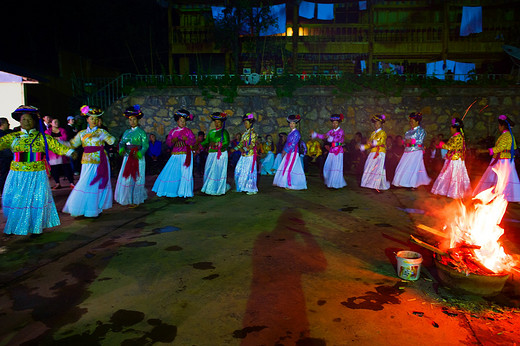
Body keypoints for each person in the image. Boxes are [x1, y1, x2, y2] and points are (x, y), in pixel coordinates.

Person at [0, 106, 75, 236]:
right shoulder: (12, 137)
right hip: (18, 173)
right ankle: (15, 225)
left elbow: (57, 146)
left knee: (36, 199)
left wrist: (70, 152)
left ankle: (35, 227)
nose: (26, 122)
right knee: (18, 199)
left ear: (34, 121)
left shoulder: (43, 137)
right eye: (24, 119)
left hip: (37, 173)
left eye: (29, 119)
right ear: (19, 121)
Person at [63, 105, 116, 218]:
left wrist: (104, 136)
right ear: (87, 119)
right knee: (86, 182)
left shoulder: (102, 131)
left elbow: (112, 141)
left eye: (96, 118)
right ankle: (82, 208)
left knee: (98, 184)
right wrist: (61, 143)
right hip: (87, 161)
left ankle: (96, 208)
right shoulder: (82, 133)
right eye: (92, 118)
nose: (94, 120)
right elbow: (72, 144)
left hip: (100, 160)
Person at [473, 115, 520, 202]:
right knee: (502, 178)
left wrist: (485, 151)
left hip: (503, 161)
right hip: (502, 160)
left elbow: (499, 148)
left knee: (504, 178)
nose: (498, 127)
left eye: (499, 125)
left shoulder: (507, 136)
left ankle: (505, 196)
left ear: (503, 126)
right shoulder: (506, 135)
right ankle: (499, 195)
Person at [152, 109, 196, 198]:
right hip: (176, 154)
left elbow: (193, 141)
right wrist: (173, 140)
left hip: (185, 154)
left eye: (184, 121)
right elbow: (168, 143)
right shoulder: (173, 131)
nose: (182, 123)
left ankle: (185, 192)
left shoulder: (188, 131)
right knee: (173, 171)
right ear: (177, 121)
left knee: (185, 173)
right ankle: (172, 190)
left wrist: (186, 139)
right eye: (180, 121)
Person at [114, 105, 149, 207]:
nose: (132, 121)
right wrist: (121, 149)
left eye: (134, 119)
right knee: (127, 177)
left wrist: (139, 153)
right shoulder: (126, 132)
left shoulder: (141, 132)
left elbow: (145, 145)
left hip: (137, 158)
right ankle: (128, 198)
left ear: (137, 120)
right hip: (127, 157)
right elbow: (121, 143)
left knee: (137, 177)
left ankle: (136, 199)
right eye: (130, 120)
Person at [431, 118, 471, 199]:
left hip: (455, 160)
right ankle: (446, 191)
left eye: (451, 127)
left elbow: (450, 147)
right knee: (448, 174)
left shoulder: (458, 137)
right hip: (452, 158)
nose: (450, 129)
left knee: (454, 175)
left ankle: (454, 193)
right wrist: (440, 145)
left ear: (454, 128)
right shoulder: (455, 137)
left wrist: (441, 144)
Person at [392, 112, 431, 189]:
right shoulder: (408, 131)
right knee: (403, 165)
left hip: (416, 151)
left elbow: (420, 141)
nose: (411, 123)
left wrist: (412, 141)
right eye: (410, 121)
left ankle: (413, 184)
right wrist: (403, 141)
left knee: (413, 167)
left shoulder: (421, 131)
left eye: (413, 121)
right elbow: (405, 140)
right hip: (407, 151)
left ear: (417, 122)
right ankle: (402, 182)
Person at [312, 113, 347, 189]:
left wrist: (330, 138)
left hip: (338, 151)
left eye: (336, 123)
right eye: (333, 123)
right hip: (332, 151)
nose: (334, 124)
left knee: (336, 167)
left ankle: (335, 184)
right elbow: (324, 136)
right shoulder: (331, 131)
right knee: (328, 166)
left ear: (339, 123)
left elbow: (337, 139)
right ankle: (330, 182)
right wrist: (316, 135)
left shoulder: (341, 131)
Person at [273, 114, 307, 190]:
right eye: (290, 123)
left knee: (290, 167)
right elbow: (287, 143)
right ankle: (286, 183)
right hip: (289, 152)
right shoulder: (290, 133)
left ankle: (289, 184)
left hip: (294, 152)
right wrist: (283, 151)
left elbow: (293, 143)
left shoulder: (296, 133)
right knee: (286, 166)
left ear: (296, 124)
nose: (291, 125)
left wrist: (285, 150)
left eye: (293, 123)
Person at [200, 112, 231, 195]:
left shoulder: (224, 132)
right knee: (208, 169)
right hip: (211, 154)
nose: (217, 124)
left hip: (220, 155)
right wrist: (197, 145)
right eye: (216, 122)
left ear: (222, 123)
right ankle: (209, 187)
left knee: (217, 171)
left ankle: (217, 188)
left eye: (219, 122)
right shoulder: (211, 132)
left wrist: (217, 144)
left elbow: (226, 143)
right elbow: (206, 142)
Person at [359, 114, 390, 191]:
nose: (376, 125)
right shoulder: (373, 133)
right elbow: (369, 144)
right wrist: (363, 147)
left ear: (381, 124)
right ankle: (369, 183)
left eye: (378, 123)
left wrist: (371, 142)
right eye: (375, 123)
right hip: (373, 152)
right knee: (369, 167)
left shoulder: (383, 133)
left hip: (380, 152)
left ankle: (376, 184)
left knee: (378, 168)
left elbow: (379, 141)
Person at [45, 118, 75, 189]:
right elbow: (49, 140)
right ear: (51, 123)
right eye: (55, 122)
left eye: (57, 122)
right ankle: (57, 183)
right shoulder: (47, 131)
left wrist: (55, 139)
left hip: (62, 152)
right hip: (52, 153)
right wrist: (58, 139)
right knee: (54, 169)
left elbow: (64, 138)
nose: (56, 123)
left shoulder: (62, 130)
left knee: (66, 167)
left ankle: (71, 182)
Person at [233, 113, 258, 195]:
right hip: (244, 155)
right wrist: (235, 148)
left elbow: (253, 144)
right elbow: (240, 143)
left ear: (251, 123)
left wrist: (244, 149)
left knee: (249, 172)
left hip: (250, 155)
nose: (245, 125)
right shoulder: (244, 134)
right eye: (244, 123)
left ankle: (251, 188)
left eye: (246, 123)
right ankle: (242, 186)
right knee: (239, 169)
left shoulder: (253, 134)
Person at [0, 118, 13, 195]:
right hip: (4, 158)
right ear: (3, 124)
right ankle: (3, 191)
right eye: (7, 123)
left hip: (9, 157)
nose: (8, 124)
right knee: (5, 175)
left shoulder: (9, 132)